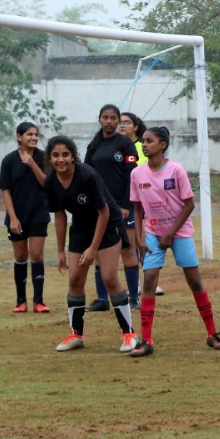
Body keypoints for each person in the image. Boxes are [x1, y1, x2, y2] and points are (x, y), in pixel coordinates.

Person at [127, 127, 220, 357]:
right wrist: (140, 239)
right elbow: (137, 208)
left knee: (194, 282)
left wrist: (171, 233)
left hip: (179, 232)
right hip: (152, 233)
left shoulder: (176, 170)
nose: (144, 145)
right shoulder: (137, 174)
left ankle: (212, 334)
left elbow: (189, 204)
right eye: (143, 141)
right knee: (149, 281)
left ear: (162, 145)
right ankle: (146, 341)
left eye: (149, 141)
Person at [42, 135, 139, 353]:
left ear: (73, 156)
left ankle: (129, 333)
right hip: (81, 228)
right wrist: (60, 251)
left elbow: (104, 212)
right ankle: (76, 334)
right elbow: (59, 216)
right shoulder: (50, 181)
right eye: (56, 155)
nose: (61, 160)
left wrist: (94, 249)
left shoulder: (88, 175)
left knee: (109, 278)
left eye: (65, 154)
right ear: (49, 157)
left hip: (108, 223)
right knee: (75, 279)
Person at [84, 104, 141, 310]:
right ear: (99, 119)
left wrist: (126, 204)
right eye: (105, 118)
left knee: (128, 250)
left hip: (123, 207)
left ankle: (134, 297)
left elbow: (132, 175)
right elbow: (86, 175)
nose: (109, 122)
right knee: (99, 251)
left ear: (118, 121)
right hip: (100, 208)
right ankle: (102, 299)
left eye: (113, 118)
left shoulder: (126, 144)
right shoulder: (93, 146)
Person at [0, 122, 51, 313]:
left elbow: (47, 183)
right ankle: (21, 301)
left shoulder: (44, 158)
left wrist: (31, 163)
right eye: (29, 134)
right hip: (17, 215)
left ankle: (39, 301)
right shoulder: (9, 161)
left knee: (36, 255)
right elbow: (5, 190)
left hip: (39, 213)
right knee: (20, 256)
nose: (34, 138)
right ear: (19, 137)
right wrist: (12, 217)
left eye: (36, 135)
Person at [120, 111, 163, 295]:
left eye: (127, 122)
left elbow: (146, 172)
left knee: (143, 242)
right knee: (127, 245)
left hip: (145, 201)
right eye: (120, 122)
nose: (122, 125)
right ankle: (134, 285)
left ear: (135, 127)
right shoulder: (113, 146)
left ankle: (150, 282)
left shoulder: (142, 147)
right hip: (123, 201)